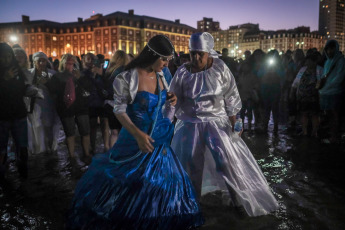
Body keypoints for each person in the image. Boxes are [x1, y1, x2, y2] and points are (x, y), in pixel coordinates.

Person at [67, 35, 204, 229]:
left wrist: (170, 98)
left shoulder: (163, 75)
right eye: (163, 59)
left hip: (160, 139)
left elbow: (165, 103)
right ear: (152, 55)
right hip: (134, 139)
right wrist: (138, 135)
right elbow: (119, 110)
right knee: (133, 182)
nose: (166, 65)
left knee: (163, 183)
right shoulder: (127, 77)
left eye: (168, 60)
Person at [169, 32, 279, 217]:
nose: (196, 58)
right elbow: (174, 98)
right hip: (191, 124)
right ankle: (193, 203)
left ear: (208, 53)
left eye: (200, 54)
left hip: (217, 123)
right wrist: (172, 100)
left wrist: (235, 120)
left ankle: (238, 200)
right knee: (191, 163)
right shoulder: (182, 72)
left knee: (226, 161)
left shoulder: (219, 67)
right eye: (192, 53)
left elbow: (231, 95)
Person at [46, 54, 91, 160]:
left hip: (81, 107)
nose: (70, 66)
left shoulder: (82, 75)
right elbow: (53, 91)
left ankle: (87, 153)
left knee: (85, 131)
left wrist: (79, 78)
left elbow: (88, 88)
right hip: (66, 108)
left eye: (72, 63)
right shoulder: (57, 76)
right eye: (68, 63)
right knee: (70, 132)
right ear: (63, 63)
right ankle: (71, 155)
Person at [0, 43, 29, 179]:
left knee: (22, 147)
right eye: (3, 57)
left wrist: (29, 90)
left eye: (9, 56)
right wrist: (5, 79)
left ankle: (23, 173)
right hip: (2, 116)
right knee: (1, 149)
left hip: (19, 114)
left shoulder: (17, 70)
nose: (6, 60)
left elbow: (21, 89)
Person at [27, 52, 60, 154]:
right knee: (36, 128)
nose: (41, 63)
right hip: (34, 106)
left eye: (43, 60)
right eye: (39, 61)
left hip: (48, 105)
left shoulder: (52, 74)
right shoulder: (29, 74)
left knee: (48, 127)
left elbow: (57, 90)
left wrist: (47, 83)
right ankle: (39, 150)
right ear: (34, 62)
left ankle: (50, 148)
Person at [81, 53, 109, 153]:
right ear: (84, 61)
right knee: (92, 126)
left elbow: (106, 84)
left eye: (93, 59)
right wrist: (93, 76)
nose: (91, 61)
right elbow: (85, 86)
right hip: (91, 102)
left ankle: (106, 146)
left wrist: (100, 74)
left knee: (104, 123)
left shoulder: (101, 72)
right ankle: (92, 147)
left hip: (101, 101)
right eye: (89, 59)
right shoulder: (84, 73)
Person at [318, 40, 345, 143]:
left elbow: (339, 77)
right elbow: (324, 75)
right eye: (328, 49)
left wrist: (327, 86)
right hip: (326, 92)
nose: (329, 51)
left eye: (332, 48)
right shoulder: (327, 61)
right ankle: (332, 135)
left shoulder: (340, 60)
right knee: (329, 114)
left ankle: (334, 137)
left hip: (335, 92)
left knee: (334, 114)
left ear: (336, 48)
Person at [291, 53, 323, 137]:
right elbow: (296, 81)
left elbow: (322, 82)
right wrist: (293, 90)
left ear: (314, 62)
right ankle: (304, 131)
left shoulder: (320, 70)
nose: (307, 63)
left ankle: (314, 132)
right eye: (307, 61)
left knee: (314, 114)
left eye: (309, 61)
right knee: (303, 113)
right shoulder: (303, 69)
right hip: (302, 97)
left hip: (314, 97)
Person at [103, 50, 129, 147]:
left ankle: (112, 153)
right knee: (123, 132)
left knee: (114, 132)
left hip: (109, 104)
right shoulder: (126, 71)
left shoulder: (109, 71)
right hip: (122, 105)